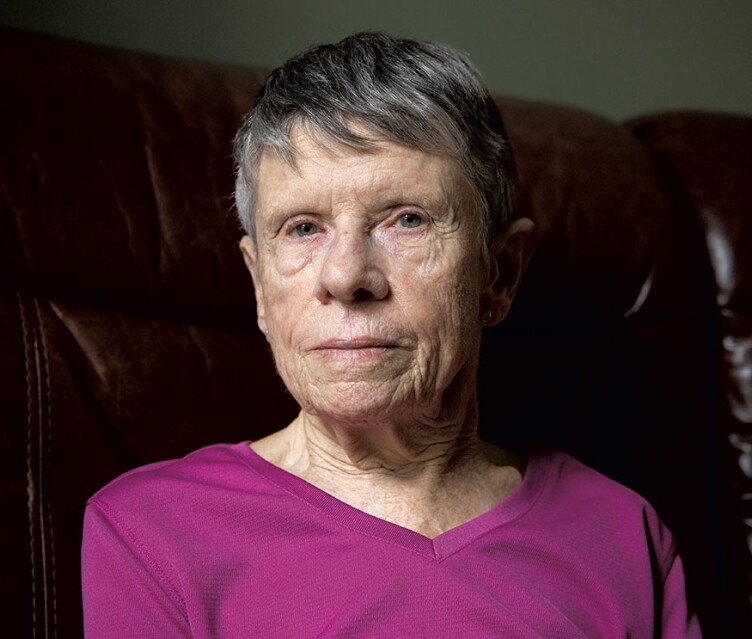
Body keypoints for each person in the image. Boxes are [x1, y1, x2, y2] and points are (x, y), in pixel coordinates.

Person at [81, 33, 701, 637]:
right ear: (259, 285)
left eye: (408, 219)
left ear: (500, 275)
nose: (347, 276)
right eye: (302, 229)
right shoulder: (151, 531)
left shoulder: (624, 533)